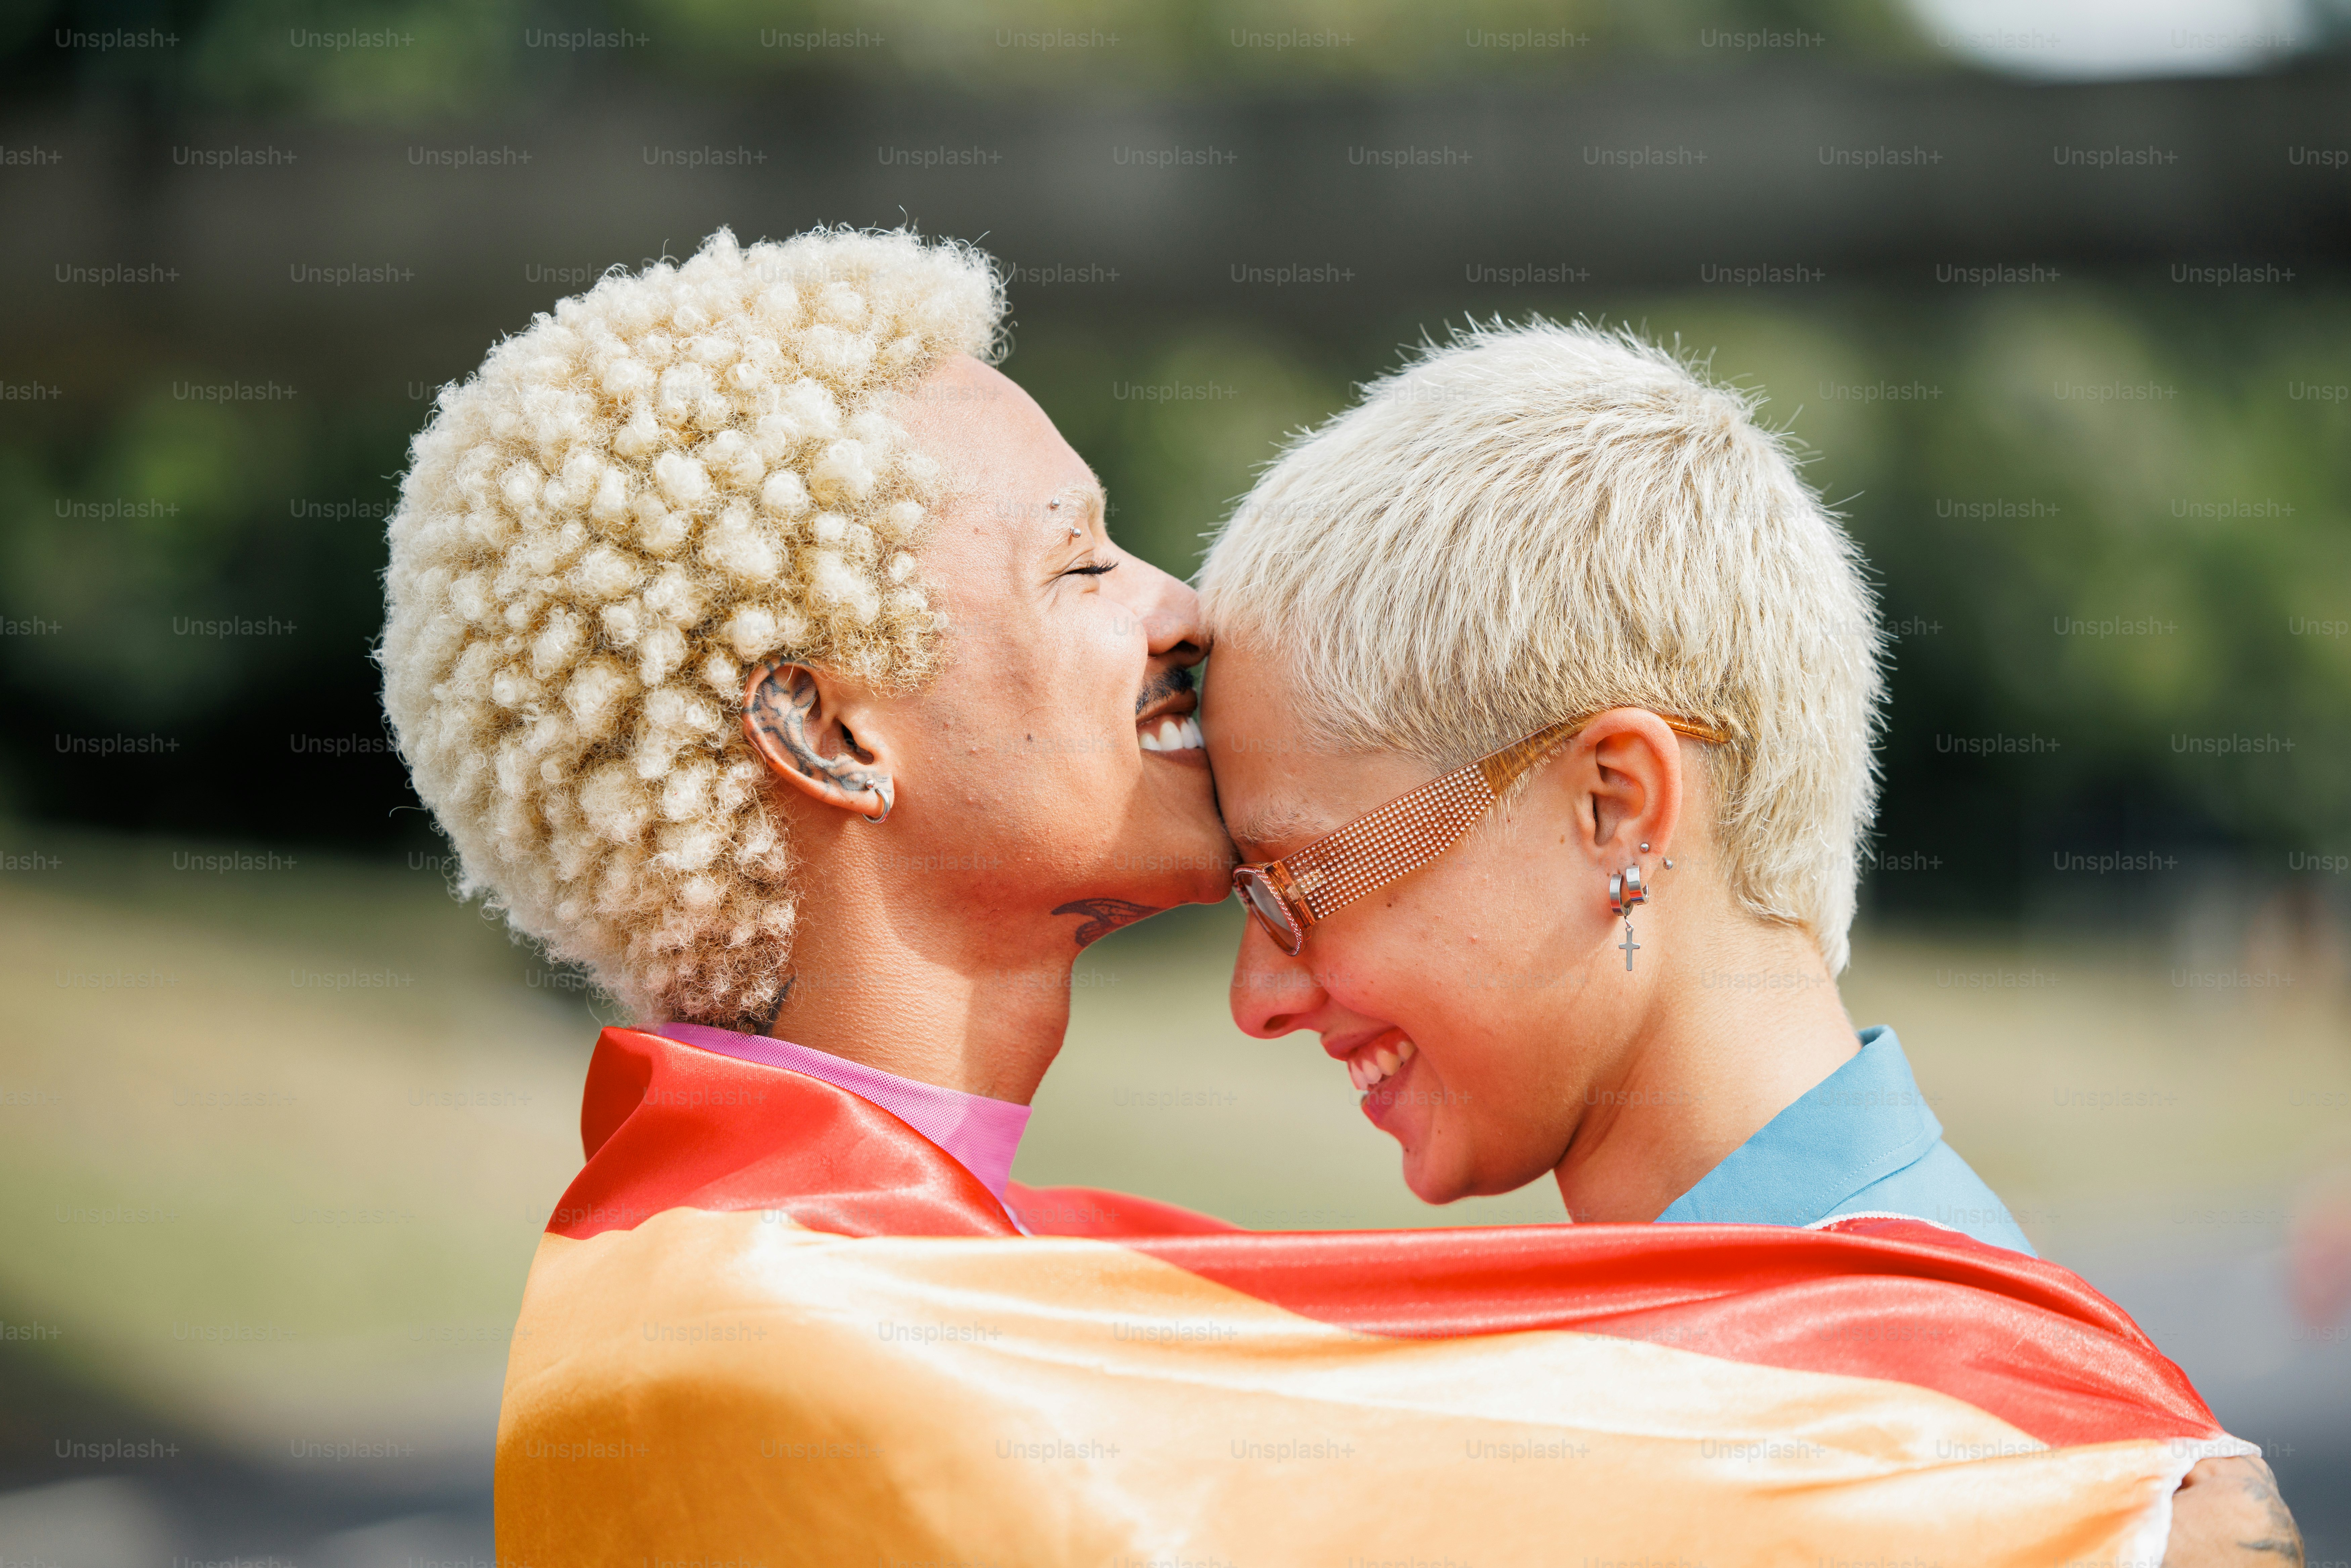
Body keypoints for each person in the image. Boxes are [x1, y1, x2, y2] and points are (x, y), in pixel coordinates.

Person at [380, 229, 2289, 1564]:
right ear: (824, 725)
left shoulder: (992, 1307)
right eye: (1078, 565)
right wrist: (2088, 1506)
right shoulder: (789, 1334)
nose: (1175, 610)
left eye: (1306, 879)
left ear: (1624, 802)